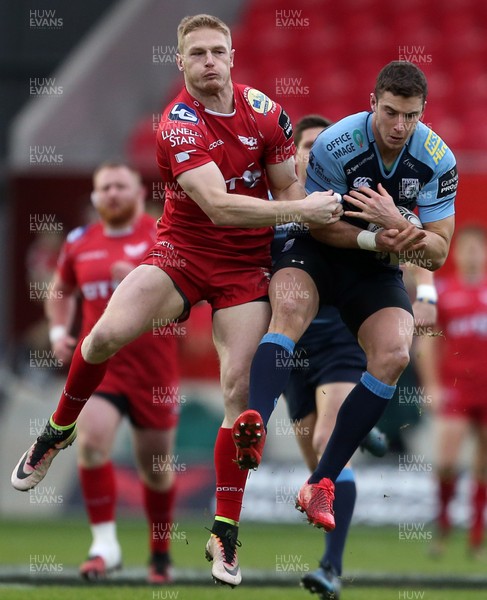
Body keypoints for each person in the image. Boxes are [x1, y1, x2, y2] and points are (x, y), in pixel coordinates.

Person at [11, 14, 342, 588]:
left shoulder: (266, 112)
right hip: (183, 253)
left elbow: (287, 184)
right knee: (103, 336)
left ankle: (224, 532)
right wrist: (302, 211)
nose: (210, 61)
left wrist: (309, 221)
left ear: (233, 57)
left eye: (219, 51)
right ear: (181, 63)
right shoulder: (178, 124)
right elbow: (220, 208)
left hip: (246, 268)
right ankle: (57, 431)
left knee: (239, 390)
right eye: (198, 54)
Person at [232, 60, 457, 535]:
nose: (400, 126)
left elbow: (437, 251)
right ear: (372, 103)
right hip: (322, 250)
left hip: (374, 267)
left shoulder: (438, 159)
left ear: (423, 112)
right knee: (289, 307)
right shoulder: (336, 143)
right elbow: (316, 221)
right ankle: (254, 417)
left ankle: (322, 482)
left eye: (411, 116)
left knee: (395, 350)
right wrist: (379, 236)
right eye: (391, 113)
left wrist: (400, 224)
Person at [44, 162, 180, 583]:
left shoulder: (163, 235)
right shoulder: (79, 242)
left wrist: (141, 289)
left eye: (121, 186)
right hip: (102, 373)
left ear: (140, 192)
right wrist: (57, 329)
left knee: (156, 471)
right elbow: (60, 290)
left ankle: (160, 554)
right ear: (95, 197)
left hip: (154, 374)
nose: (113, 194)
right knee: (90, 444)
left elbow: (187, 298)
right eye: (105, 188)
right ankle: (104, 546)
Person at [415, 224, 487, 558]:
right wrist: (431, 386)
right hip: (456, 387)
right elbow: (428, 343)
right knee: (445, 461)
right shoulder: (445, 290)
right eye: (467, 248)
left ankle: (475, 535)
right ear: (457, 253)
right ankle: (443, 527)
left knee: (482, 464)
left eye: (477, 248)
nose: (472, 254)